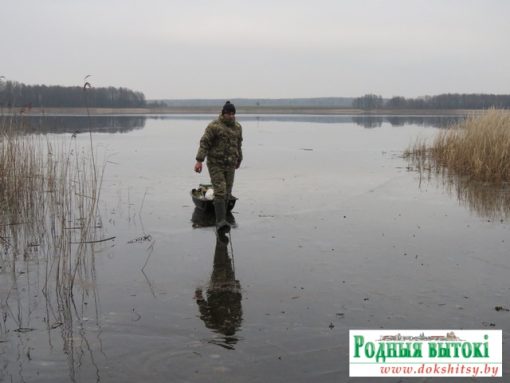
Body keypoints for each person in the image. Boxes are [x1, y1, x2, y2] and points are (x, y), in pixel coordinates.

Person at [194, 101, 243, 234]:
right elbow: (205, 143)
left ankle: (223, 218)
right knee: (220, 190)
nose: (231, 116)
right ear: (223, 113)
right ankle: (220, 222)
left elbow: (238, 144)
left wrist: (239, 158)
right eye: (229, 113)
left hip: (231, 164)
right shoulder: (214, 126)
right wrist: (199, 160)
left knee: (227, 191)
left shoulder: (238, 127)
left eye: (233, 114)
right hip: (215, 164)